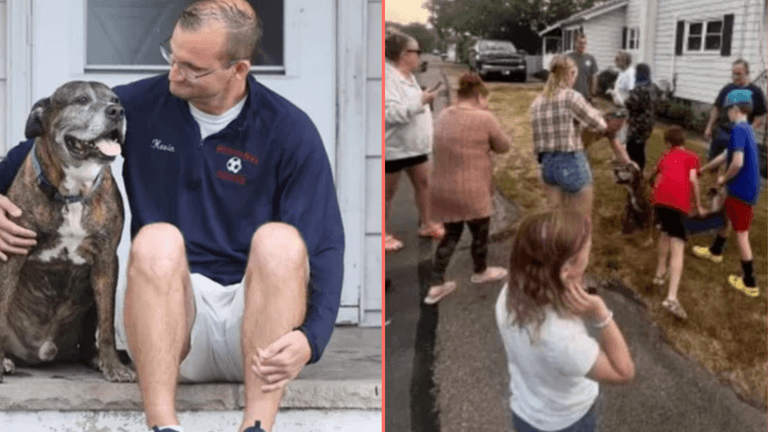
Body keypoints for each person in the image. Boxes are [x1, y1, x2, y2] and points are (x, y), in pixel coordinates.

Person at [0, 1, 344, 432]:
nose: (174, 73)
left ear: (238, 70)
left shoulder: (289, 130)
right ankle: (163, 425)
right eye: (172, 55)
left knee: (279, 241)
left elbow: (326, 243)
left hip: (258, 328)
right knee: (157, 239)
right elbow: (36, 148)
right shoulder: (139, 106)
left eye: (192, 67)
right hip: (169, 323)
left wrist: (311, 338)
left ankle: (257, 426)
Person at [495, 209, 634, 432]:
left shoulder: (509, 293)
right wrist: (601, 314)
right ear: (566, 270)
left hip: (525, 411)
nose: (590, 254)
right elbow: (623, 372)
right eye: (588, 250)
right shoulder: (564, 340)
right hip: (567, 421)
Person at [424, 73, 511, 305]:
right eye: (485, 98)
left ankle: (436, 284)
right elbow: (504, 146)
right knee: (479, 234)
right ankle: (480, 271)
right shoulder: (484, 118)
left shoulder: (442, 115)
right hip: (473, 190)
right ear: (478, 95)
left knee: (450, 235)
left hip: (444, 190)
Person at [530, 55, 634, 222]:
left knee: (559, 219)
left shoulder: (537, 102)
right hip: (570, 163)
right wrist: (601, 116)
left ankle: (558, 247)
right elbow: (599, 124)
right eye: (575, 75)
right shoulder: (571, 97)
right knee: (581, 225)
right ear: (570, 73)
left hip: (546, 166)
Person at [693, 89, 762, 297]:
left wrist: (723, 179)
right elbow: (725, 155)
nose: (726, 115)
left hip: (742, 191)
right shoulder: (745, 128)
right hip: (742, 189)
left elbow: (737, 162)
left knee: (742, 235)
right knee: (725, 216)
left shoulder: (739, 130)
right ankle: (715, 251)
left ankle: (750, 282)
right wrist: (704, 170)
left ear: (734, 109)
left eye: (727, 111)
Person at [384, 30, 444, 252]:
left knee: (425, 185)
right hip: (395, 147)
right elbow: (389, 114)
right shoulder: (388, 78)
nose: (419, 55)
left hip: (415, 147)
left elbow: (412, 104)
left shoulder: (409, 77)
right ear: (402, 53)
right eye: (416, 51)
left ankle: (427, 224)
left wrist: (423, 98)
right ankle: (381, 233)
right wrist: (421, 101)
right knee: (387, 194)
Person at [649, 127, 705, 319]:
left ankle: (658, 274)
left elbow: (655, 176)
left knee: (665, 232)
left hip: (659, 200)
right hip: (678, 203)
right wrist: (698, 205)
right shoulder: (692, 157)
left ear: (667, 143)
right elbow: (693, 182)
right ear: (684, 142)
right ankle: (672, 297)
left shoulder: (665, 155)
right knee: (678, 246)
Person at [703, 59, 767, 163]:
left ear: (747, 72)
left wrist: (749, 132)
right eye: (733, 74)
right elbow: (717, 108)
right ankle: (717, 177)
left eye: (738, 74)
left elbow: (760, 116)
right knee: (713, 162)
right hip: (722, 131)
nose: (735, 77)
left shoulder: (756, 92)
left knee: (734, 165)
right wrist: (709, 127)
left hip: (740, 135)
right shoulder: (727, 88)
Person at [623, 63, 658, 171]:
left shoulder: (639, 89)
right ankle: (641, 171)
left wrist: (622, 99)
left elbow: (629, 104)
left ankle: (635, 175)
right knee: (642, 147)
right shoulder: (653, 87)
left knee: (633, 149)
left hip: (637, 125)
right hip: (648, 123)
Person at [568, 33, 598, 102]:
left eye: (584, 43)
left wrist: (592, 94)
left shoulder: (591, 59)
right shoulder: (568, 57)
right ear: (575, 43)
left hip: (585, 96)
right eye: (580, 43)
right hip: (570, 96)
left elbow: (593, 78)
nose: (582, 45)